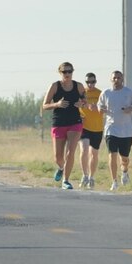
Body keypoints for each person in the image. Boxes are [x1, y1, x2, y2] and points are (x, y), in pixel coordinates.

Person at [99, 70, 132, 190]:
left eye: (119, 78)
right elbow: (100, 106)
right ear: (111, 79)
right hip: (111, 128)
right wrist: (102, 109)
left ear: (122, 79)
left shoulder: (129, 93)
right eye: (114, 78)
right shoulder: (106, 93)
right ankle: (114, 181)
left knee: (124, 157)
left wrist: (130, 108)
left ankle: (124, 172)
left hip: (126, 130)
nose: (116, 80)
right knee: (112, 155)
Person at [41, 62, 84, 190]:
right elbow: (44, 105)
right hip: (59, 122)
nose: (67, 74)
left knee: (70, 153)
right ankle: (61, 168)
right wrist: (57, 104)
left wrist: (82, 103)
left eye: (69, 71)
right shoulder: (55, 86)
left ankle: (66, 180)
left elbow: (85, 101)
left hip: (75, 122)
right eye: (64, 72)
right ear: (60, 73)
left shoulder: (79, 86)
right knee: (58, 157)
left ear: (72, 72)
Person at [78, 71, 105, 190]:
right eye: (88, 82)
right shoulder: (81, 93)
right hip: (84, 126)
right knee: (84, 149)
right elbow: (76, 106)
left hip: (97, 127)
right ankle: (84, 175)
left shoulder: (100, 93)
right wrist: (80, 114)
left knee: (93, 153)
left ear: (95, 81)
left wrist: (98, 108)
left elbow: (106, 108)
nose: (90, 84)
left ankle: (91, 177)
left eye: (92, 82)